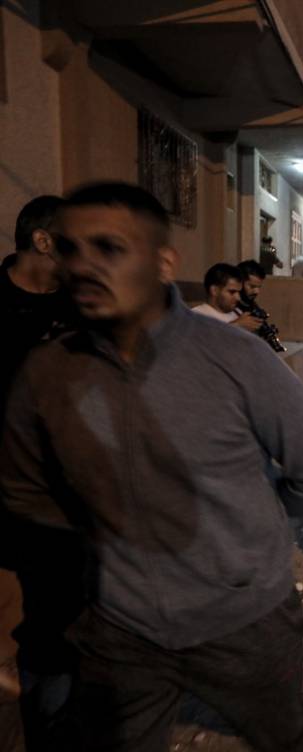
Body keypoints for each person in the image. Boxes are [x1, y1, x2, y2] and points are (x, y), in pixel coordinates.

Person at [0, 182, 303, 752]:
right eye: (70, 249)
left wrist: (245, 530)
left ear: (163, 263)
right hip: (120, 630)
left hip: (244, 619)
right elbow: (24, 492)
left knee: (287, 739)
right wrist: (104, 544)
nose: (84, 266)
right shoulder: (47, 371)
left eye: (109, 248)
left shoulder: (236, 357)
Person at [0, 195, 84, 751]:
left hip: (70, 497)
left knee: (62, 619)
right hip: (9, 496)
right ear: (44, 241)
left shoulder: (83, 307)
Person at [192, 263, 263, 332]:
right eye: (232, 292)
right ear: (214, 290)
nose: (238, 298)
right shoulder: (196, 316)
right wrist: (236, 326)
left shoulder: (238, 312)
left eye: (238, 292)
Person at [235, 259, 285, 351]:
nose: (256, 292)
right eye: (252, 286)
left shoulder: (250, 304)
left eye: (259, 287)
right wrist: (237, 325)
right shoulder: (229, 307)